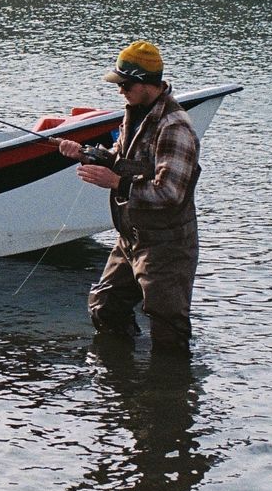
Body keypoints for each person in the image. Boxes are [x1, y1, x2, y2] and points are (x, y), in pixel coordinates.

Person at [57, 41, 200, 353]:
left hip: (167, 246)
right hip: (132, 237)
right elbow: (119, 159)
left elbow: (170, 193)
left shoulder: (175, 127)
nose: (120, 90)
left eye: (125, 85)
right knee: (105, 306)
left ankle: (169, 380)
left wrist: (116, 183)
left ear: (147, 84)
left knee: (168, 330)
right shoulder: (134, 114)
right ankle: (123, 375)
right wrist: (83, 153)